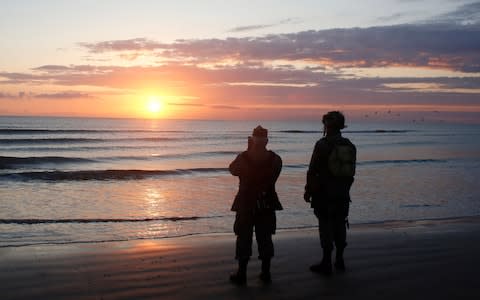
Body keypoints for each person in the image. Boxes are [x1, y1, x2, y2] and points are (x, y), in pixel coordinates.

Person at [304, 111, 356, 275]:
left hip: (324, 194)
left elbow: (312, 170)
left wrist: (308, 190)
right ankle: (339, 260)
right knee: (340, 224)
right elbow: (350, 172)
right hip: (342, 194)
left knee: (326, 226)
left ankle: (326, 262)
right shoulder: (349, 145)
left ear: (327, 126)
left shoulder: (322, 145)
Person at [229, 125, 283, 285]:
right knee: (265, 237)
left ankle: (242, 274)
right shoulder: (276, 159)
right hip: (267, 202)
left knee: (243, 237)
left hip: (246, 202)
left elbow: (232, 170)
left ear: (252, 140)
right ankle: (265, 273)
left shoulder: (243, 158)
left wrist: (248, 150)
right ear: (267, 141)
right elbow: (275, 176)